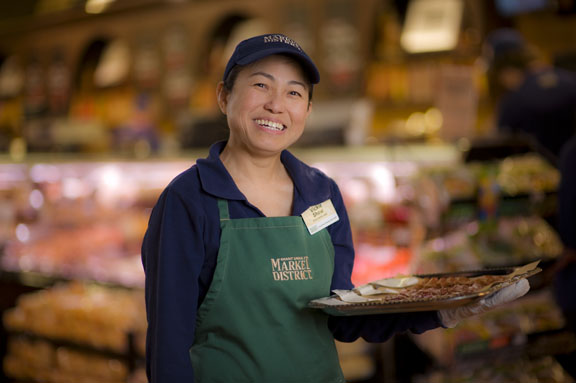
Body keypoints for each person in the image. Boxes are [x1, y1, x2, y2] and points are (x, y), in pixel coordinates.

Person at [141, 33, 530, 382]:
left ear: (307, 112)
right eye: (261, 85)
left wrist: (443, 311)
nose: (276, 105)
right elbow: (167, 345)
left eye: (294, 93)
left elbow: (342, 314)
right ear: (224, 97)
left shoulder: (321, 192)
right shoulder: (188, 202)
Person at [484, 28, 576, 166]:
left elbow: (498, 142)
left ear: (504, 70)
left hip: (548, 178)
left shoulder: (513, 102)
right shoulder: (570, 79)